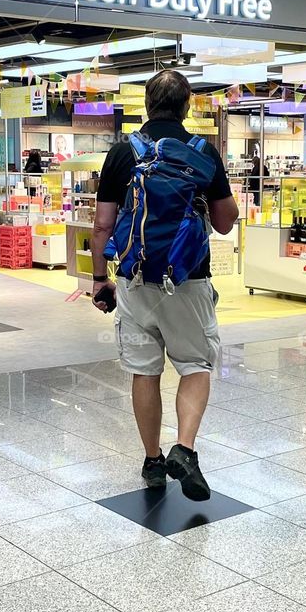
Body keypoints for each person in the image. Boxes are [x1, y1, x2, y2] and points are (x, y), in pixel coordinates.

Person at [90, 70, 239, 500]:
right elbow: (226, 223)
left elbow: (102, 225)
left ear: (147, 104)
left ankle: (153, 461)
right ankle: (185, 449)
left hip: (135, 280)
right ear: (188, 105)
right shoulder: (202, 152)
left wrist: (101, 280)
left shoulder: (123, 153)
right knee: (195, 364)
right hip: (189, 280)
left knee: (144, 372)